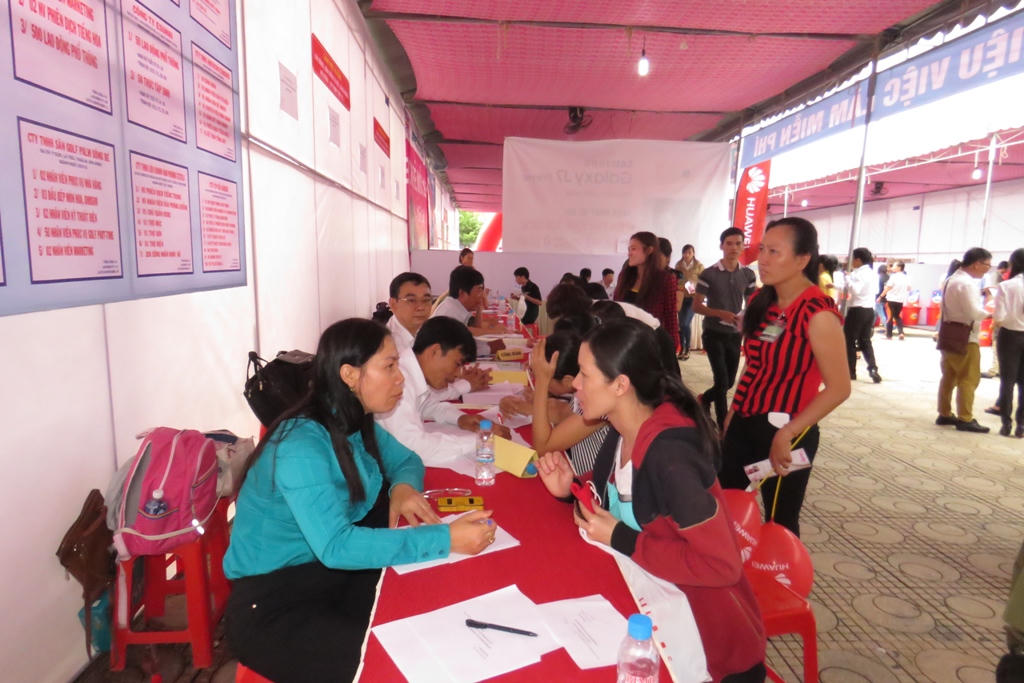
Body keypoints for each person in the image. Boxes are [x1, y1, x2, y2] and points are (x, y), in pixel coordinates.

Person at [223, 319, 495, 682]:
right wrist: (445, 539)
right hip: (276, 603)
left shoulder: (353, 420)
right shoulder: (301, 445)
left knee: (436, 611)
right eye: (389, 366)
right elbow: (337, 546)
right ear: (350, 375)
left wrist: (403, 488)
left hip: (329, 575)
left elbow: (407, 460)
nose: (400, 378)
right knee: (399, 664)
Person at [536, 319, 766, 682]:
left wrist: (622, 538)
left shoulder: (671, 458)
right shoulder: (620, 430)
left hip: (707, 648)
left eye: (584, 374)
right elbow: (614, 505)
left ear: (620, 385)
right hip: (654, 607)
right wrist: (571, 490)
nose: (575, 384)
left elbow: (721, 566)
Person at [718, 218, 850, 537]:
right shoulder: (761, 302)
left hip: (789, 432)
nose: (762, 259)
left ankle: (778, 570)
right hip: (745, 422)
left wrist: (789, 432)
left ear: (803, 259)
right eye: (762, 250)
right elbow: (753, 365)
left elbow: (839, 389)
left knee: (780, 522)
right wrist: (734, 412)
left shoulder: (818, 313)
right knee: (727, 509)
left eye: (774, 252)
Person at [377, 316, 510, 470]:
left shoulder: (411, 370)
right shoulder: (400, 379)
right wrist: (481, 441)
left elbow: (425, 406)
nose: (457, 374)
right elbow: (414, 448)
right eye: (457, 364)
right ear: (435, 351)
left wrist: (460, 418)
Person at [693, 227, 757, 428]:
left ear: (743, 246)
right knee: (721, 381)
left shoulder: (748, 274)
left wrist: (746, 319)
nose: (733, 248)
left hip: (735, 334)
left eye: (738, 243)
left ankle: (704, 399)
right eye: (729, 243)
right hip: (713, 333)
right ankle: (723, 427)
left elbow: (752, 304)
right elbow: (696, 306)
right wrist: (719, 313)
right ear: (721, 246)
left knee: (728, 382)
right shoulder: (709, 274)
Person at [935, 247, 993, 433]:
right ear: (976, 264)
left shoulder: (951, 279)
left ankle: (944, 413)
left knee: (949, 375)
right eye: (987, 265)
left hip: (949, 332)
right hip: (965, 336)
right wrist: (991, 314)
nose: (988, 269)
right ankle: (965, 418)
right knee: (969, 378)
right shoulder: (967, 284)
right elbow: (973, 312)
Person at [613, 231, 680, 352]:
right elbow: (616, 308)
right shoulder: (625, 276)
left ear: (649, 250)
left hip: (649, 341)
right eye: (629, 249)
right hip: (624, 340)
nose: (629, 253)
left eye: (633, 249)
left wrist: (673, 344)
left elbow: (670, 315)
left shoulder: (666, 279)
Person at [432, 265, 505, 357]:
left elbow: (475, 328)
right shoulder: (449, 311)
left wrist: (479, 307)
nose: (482, 296)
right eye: (479, 291)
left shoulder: (457, 306)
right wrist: (493, 336)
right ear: (462, 293)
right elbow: (458, 343)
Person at [994, 249, 1024, 437]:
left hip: (1009, 336)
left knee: (1007, 381)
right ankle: (1022, 426)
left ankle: (1006, 424)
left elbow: (999, 317)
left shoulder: (1006, 286)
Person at [844, 247, 883, 383]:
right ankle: (873, 369)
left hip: (857, 310)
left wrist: (848, 278)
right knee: (865, 341)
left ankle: (851, 371)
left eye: (852, 259)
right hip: (869, 311)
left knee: (849, 341)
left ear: (858, 260)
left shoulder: (858, 274)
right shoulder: (873, 273)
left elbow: (856, 290)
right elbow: (876, 290)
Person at [675, 243, 704, 360]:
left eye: (689, 252)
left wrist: (696, 289)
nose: (686, 255)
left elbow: (704, 281)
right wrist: (680, 285)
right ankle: (682, 348)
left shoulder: (699, 266)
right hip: (681, 297)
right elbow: (676, 279)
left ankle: (687, 349)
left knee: (685, 323)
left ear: (693, 253)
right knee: (681, 324)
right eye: (685, 252)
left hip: (693, 298)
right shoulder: (678, 265)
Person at [983, 260, 1010, 379]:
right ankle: (999, 369)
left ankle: (995, 369)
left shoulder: (1005, 284)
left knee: (998, 344)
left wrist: (994, 321)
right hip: (1014, 324)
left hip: (1004, 320)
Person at [879, 261, 909, 340]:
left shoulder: (894, 277)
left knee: (890, 317)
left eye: (894, 266)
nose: (892, 267)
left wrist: (880, 296)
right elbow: (909, 288)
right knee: (897, 316)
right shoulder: (906, 277)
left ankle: (889, 335)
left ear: (899, 267)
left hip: (891, 299)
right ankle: (901, 333)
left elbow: (888, 288)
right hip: (900, 300)